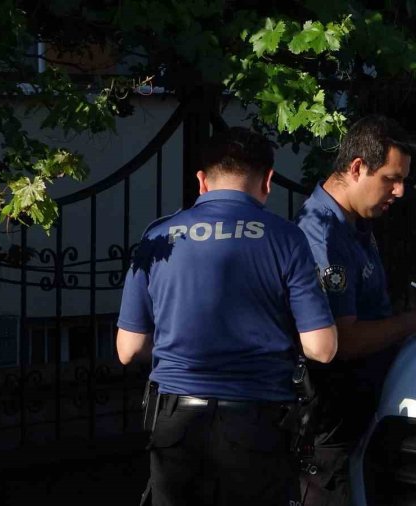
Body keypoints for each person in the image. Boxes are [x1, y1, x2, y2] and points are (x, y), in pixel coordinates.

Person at [116, 127, 338, 506]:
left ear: (201, 180)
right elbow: (322, 348)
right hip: (256, 429)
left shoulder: (157, 237)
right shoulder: (286, 238)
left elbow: (128, 349)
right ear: (267, 180)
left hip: (176, 427)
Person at [295, 115, 416, 504]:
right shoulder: (323, 235)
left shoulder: (354, 222)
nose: (399, 191)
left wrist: (404, 314)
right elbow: (342, 340)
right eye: (391, 179)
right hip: (333, 420)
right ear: (357, 168)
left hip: (363, 410)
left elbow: (368, 311)